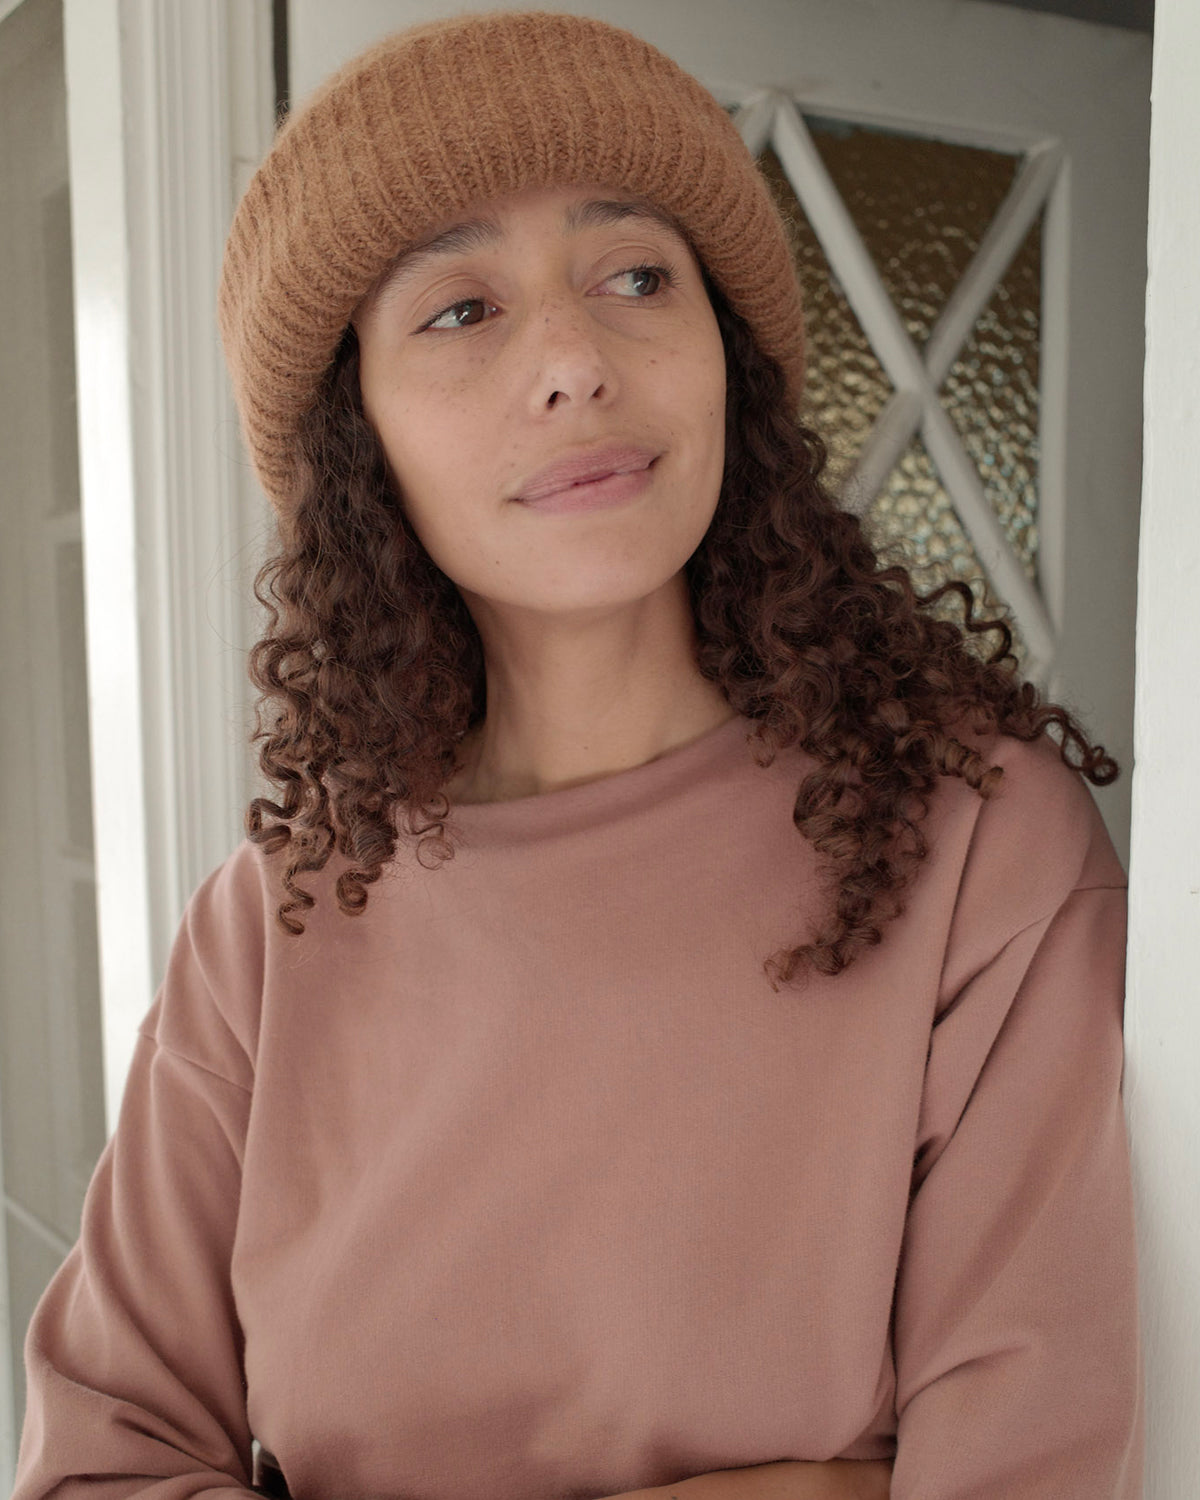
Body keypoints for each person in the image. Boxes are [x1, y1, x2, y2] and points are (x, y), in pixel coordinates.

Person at [12, 10, 1143, 1500]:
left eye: (635, 276)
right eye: (459, 310)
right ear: (357, 441)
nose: (572, 361)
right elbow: (95, 1468)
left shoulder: (978, 842)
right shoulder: (270, 928)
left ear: (727, 355)